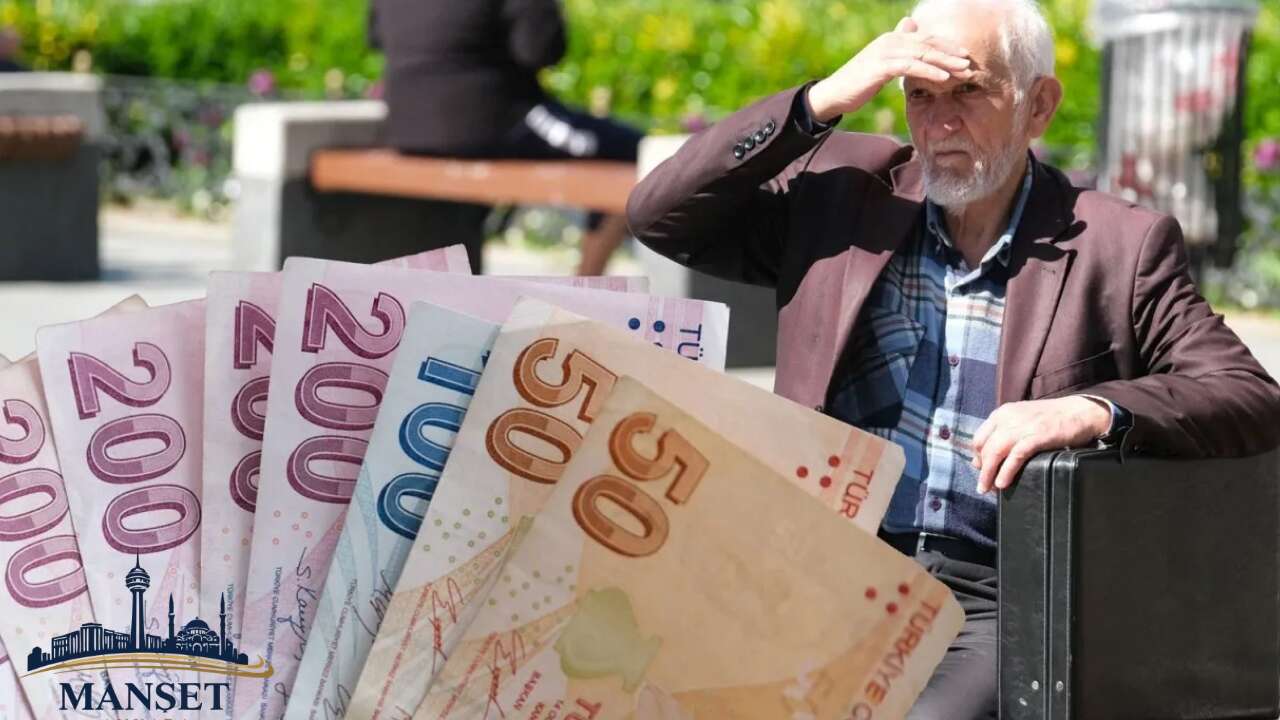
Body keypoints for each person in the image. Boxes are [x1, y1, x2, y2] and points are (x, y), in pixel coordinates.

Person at [625, 0, 1280, 717]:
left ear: (1038, 105)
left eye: (968, 91)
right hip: (819, 566)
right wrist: (820, 102)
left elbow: (1246, 391)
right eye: (920, 95)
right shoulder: (847, 201)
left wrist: (1093, 410)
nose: (940, 123)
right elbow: (660, 215)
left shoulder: (1116, 247)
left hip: (993, 597)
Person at [368, 0, 643, 275]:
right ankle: (585, 287)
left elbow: (376, 37)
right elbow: (540, 49)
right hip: (490, 119)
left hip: (407, 126)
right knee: (632, 151)